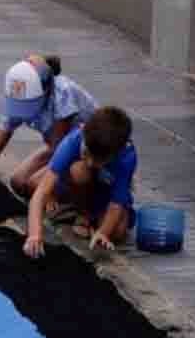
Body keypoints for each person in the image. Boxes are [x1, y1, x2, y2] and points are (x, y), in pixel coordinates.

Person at [0, 55, 96, 209]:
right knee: (18, 182)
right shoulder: (17, 93)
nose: (21, 110)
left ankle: (87, 197)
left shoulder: (63, 95)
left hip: (86, 150)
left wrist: (47, 192)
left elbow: (61, 150)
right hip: (56, 144)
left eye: (28, 104)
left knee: (35, 185)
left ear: (46, 90)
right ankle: (59, 192)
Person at [25, 104, 138, 259]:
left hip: (105, 191)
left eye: (99, 160)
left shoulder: (126, 157)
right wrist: (35, 234)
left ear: (116, 152)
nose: (91, 162)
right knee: (79, 171)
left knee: (117, 232)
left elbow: (116, 204)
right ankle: (82, 213)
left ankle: (91, 218)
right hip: (79, 185)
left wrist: (103, 233)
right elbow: (40, 193)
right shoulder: (74, 140)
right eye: (87, 153)